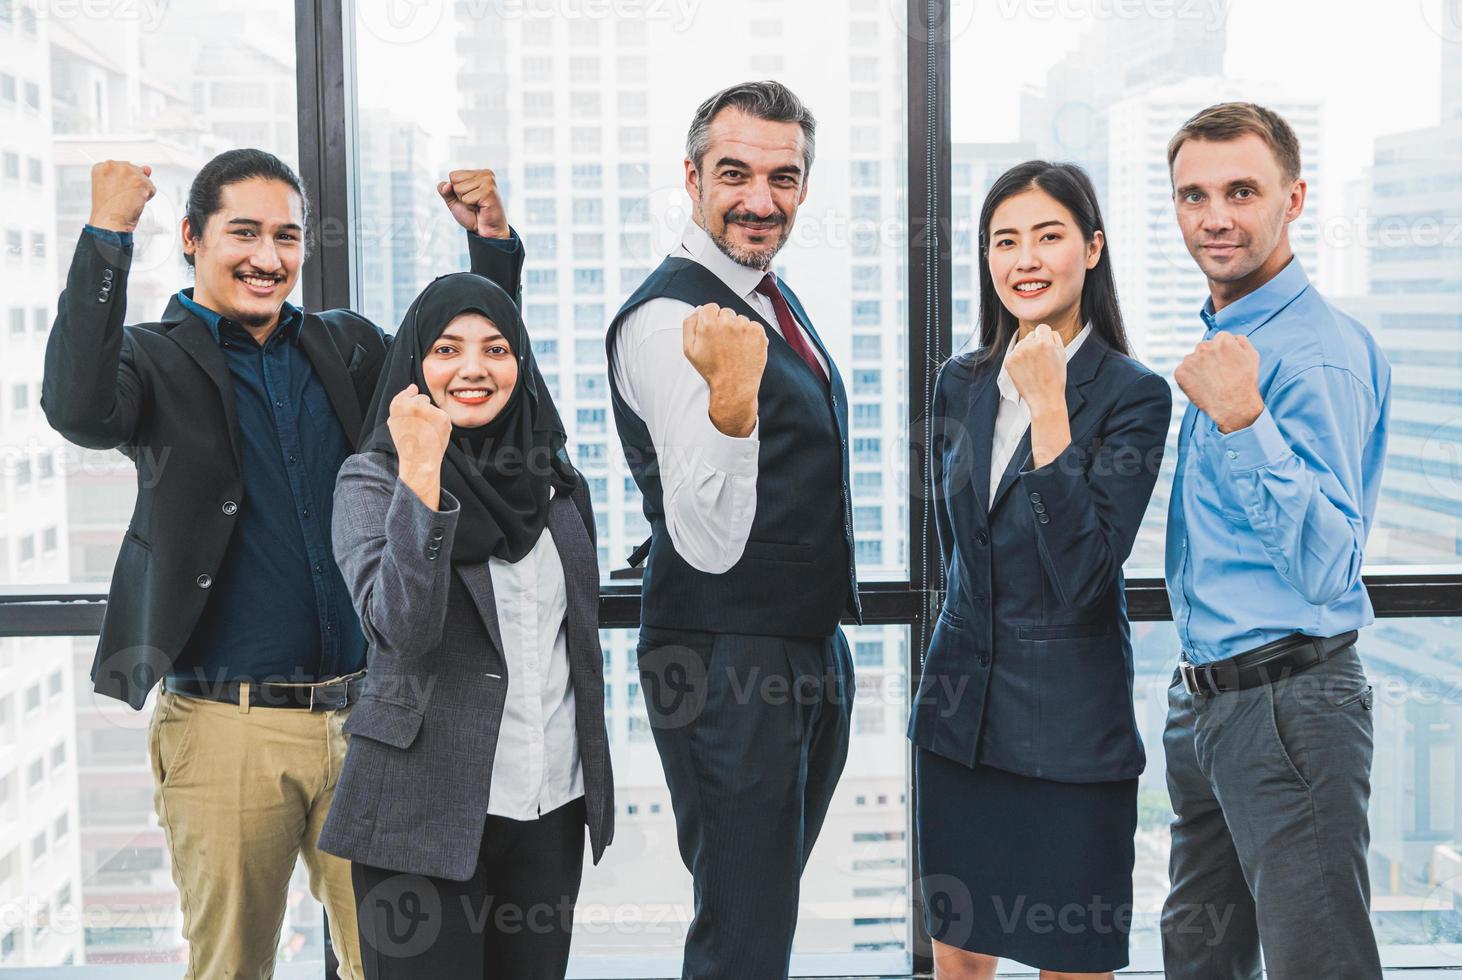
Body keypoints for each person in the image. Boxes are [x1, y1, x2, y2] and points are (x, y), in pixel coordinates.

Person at [41, 149, 523, 978]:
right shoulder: (152, 358)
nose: (268, 258)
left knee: (394, 965)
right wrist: (107, 233)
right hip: (228, 729)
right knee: (232, 967)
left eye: (287, 237)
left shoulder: (349, 346)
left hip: (372, 722)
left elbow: (469, 373)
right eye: (244, 234)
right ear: (191, 238)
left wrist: (490, 250)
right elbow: (77, 408)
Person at [605, 80, 860, 978]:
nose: (761, 199)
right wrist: (731, 402)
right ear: (691, 176)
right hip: (727, 662)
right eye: (735, 173)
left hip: (799, 647)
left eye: (783, 177)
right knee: (743, 932)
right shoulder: (668, 317)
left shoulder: (764, 296)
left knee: (760, 910)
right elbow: (706, 538)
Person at [911, 161, 1171, 979]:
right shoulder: (959, 382)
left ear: (1090, 249)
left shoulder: (1133, 394)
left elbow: (1085, 572)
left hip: (1069, 734)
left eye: (1048, 236)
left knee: (1071, 965)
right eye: (1004, 240)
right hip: (960, 725)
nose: (1024, 258)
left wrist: (1050, 409)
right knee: (956, 962)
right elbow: (962, 551)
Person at [319, 272, 613, 975]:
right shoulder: (372, 479)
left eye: (496, 349)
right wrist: (422, 474)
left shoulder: (556, 481)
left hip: (549, 803)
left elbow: (576, 637)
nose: (474, 368)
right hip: (419, 812)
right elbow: (402, 631)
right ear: (416, 365)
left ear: (521, 365)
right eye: (447, 349)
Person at [1160, 102, 1391, 979]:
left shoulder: (1310, 353)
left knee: (1317, 962)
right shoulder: (1231, 337)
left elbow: (1328, 563)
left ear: (1292, 199)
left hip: (1289, 702)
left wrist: (1243, 418)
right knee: (1200, 958)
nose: (1214, 216)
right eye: (1193, 195)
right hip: (1213, 702)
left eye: (1241, 191)